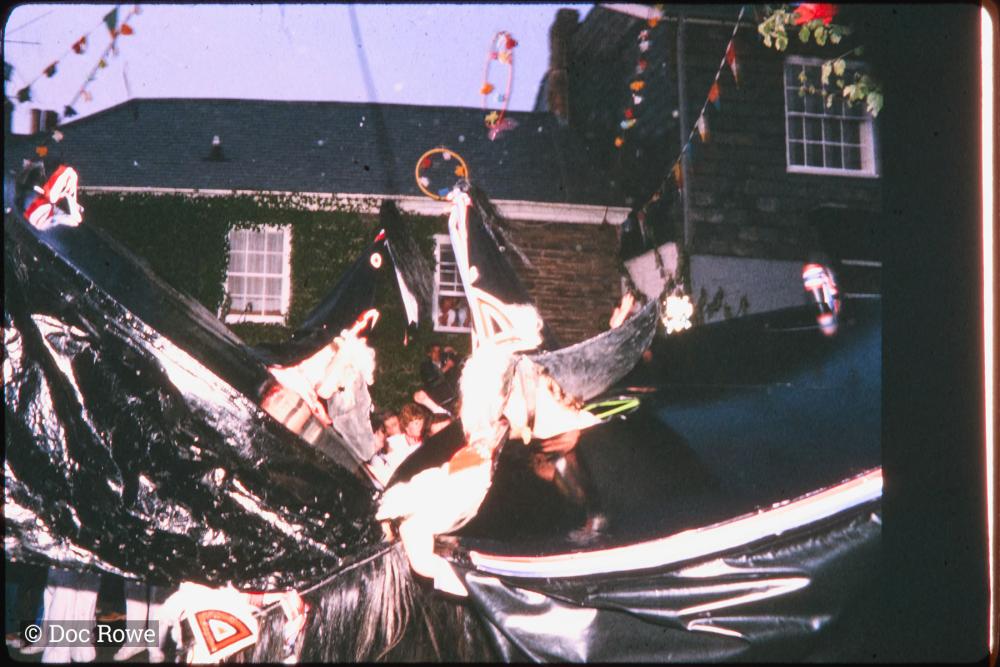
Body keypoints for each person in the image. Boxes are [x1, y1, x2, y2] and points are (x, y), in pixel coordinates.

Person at [419, 343, 458, 412]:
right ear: (429, 354)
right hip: (438, 402)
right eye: (434, 351)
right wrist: (446, 368)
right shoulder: (425, 366)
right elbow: (430, 380)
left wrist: (454, 353)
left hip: (453, 398)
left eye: (439, 351)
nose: (437, 353)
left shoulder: (445, 362)